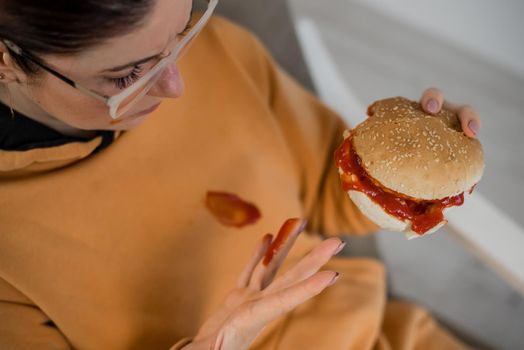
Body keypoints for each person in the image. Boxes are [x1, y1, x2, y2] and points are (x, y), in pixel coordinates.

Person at [0, 0, 482, 349]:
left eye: (183, 29)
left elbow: (332, 198)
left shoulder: (223, 51)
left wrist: (407, 171)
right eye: (129, 75)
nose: (176, 85)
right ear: (7, 60)